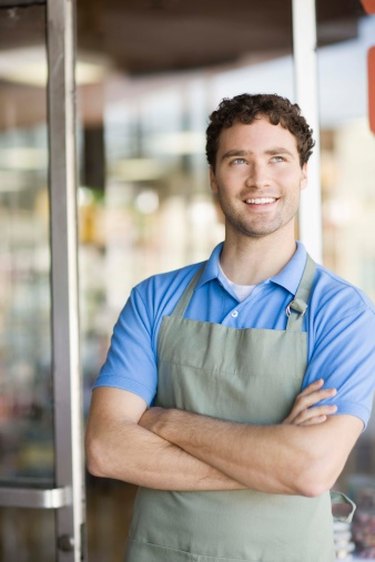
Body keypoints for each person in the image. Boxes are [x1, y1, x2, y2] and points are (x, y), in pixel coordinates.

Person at [85, 93, 375, 562]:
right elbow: (106, 450)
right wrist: (270, 457)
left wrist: (164, 420)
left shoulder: (343, 312)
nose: (259, 179)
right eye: (238, 160)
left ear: (303, 175)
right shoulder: (154, 298)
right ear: (214, 180)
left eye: (277, 159)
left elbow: (310, 471)